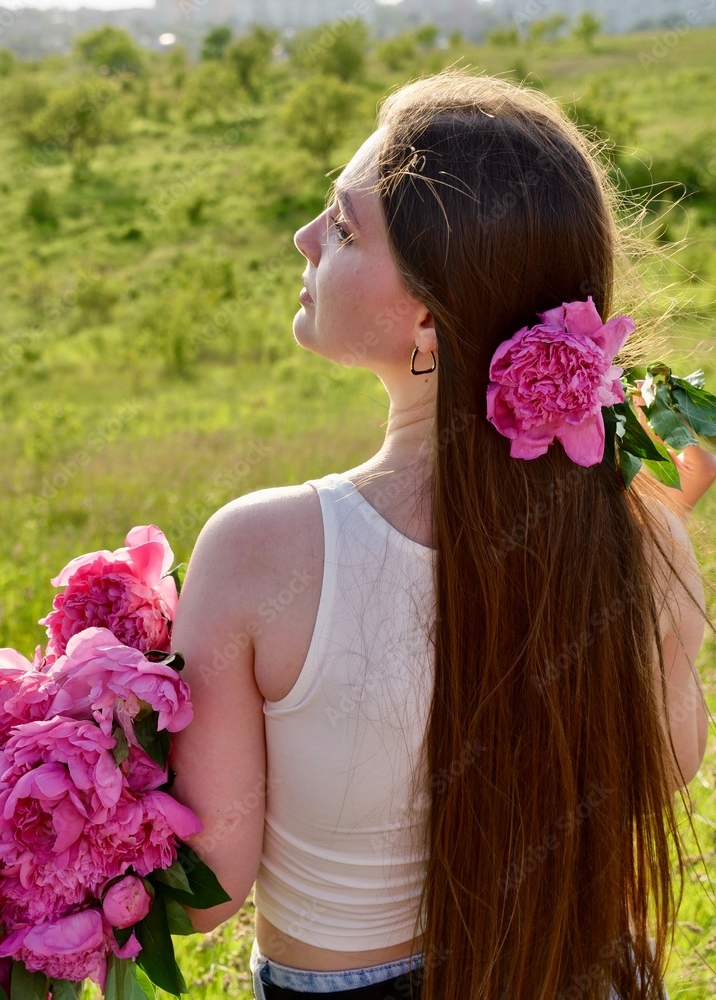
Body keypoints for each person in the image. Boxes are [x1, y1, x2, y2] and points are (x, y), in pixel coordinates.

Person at [170, 71, 715, 1000]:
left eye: (346, 229)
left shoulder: (262, 550)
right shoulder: (649, 537)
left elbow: (203, 892)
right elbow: (662, 770)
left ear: (429, 316)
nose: (306, 237)